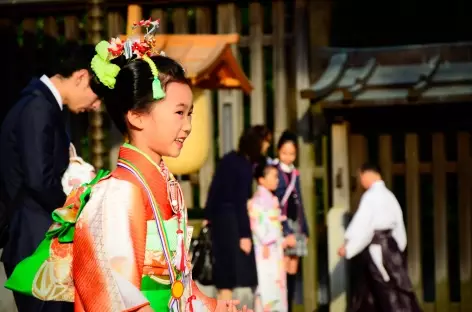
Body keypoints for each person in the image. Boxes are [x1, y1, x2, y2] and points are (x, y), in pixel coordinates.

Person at [0, 43, 100, 312]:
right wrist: (74, 208)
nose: (97, 103)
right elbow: (38, 179)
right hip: (35, 237)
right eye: (97, 92)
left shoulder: (41, 105)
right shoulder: (37, 107)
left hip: (34, 229)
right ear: (80, 77)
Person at [337, 163, 421, 312]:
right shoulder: (390, 196)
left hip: (377, 250)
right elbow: (399, 227)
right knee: (388, 290)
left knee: (388, 294)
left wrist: (349, 247)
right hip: (390, 247)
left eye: (360, 177)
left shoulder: (370, 197)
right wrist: (397, 249)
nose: (360, 181)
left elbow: (364, 227)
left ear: (366, 175)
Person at [205, 125, 272, 307]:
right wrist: (244, 235)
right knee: (231, 277)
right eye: (265, 142)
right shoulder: (243, 166)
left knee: (223, 278)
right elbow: (239, 201)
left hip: (219, 221)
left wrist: (208, 217)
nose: (267, 146)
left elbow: (213, 190)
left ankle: (222, 307)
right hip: (231, 223)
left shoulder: (228, 159)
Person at [274, 130, 308, 312]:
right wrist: (285, 230)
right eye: (284, 153)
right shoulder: (275, 171)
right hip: (282, 223)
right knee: (284, 263)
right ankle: (283, 305)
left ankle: (291, 305)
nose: (288, 157)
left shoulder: (295, 173)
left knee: (294, 263)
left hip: (297, 223)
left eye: (291, 153)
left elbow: (300, 201)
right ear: (278, 151)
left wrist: (306, 229)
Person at [248, 160, 287, 312]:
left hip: (274, 251)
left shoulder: (271, 199)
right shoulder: (257, 201)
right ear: (261, 179)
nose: (277, 180)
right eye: (273, 176)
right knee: (267, 292)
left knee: (276, 290)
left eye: (277, 176)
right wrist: (278, 237)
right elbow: (260, 228)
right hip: (265, 251)